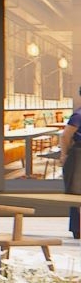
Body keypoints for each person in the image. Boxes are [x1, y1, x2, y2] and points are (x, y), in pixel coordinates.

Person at [58, 84, 79, 237]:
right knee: (76, 191)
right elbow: (66, 136)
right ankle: (78, 228)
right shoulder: (78, 115)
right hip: (78, 156)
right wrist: (64, 155)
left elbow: (65, 136)